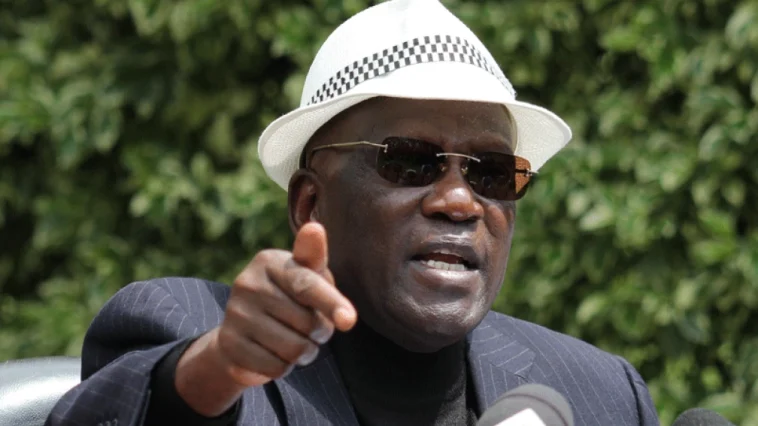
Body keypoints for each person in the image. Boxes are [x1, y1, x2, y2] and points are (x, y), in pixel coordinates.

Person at [47, 1, 660, 425]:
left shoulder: (600, 394)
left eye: (493, 173)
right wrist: (218, 367)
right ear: (310, 203)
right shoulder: (186, 328)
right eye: (411, 162)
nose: (458, 202)